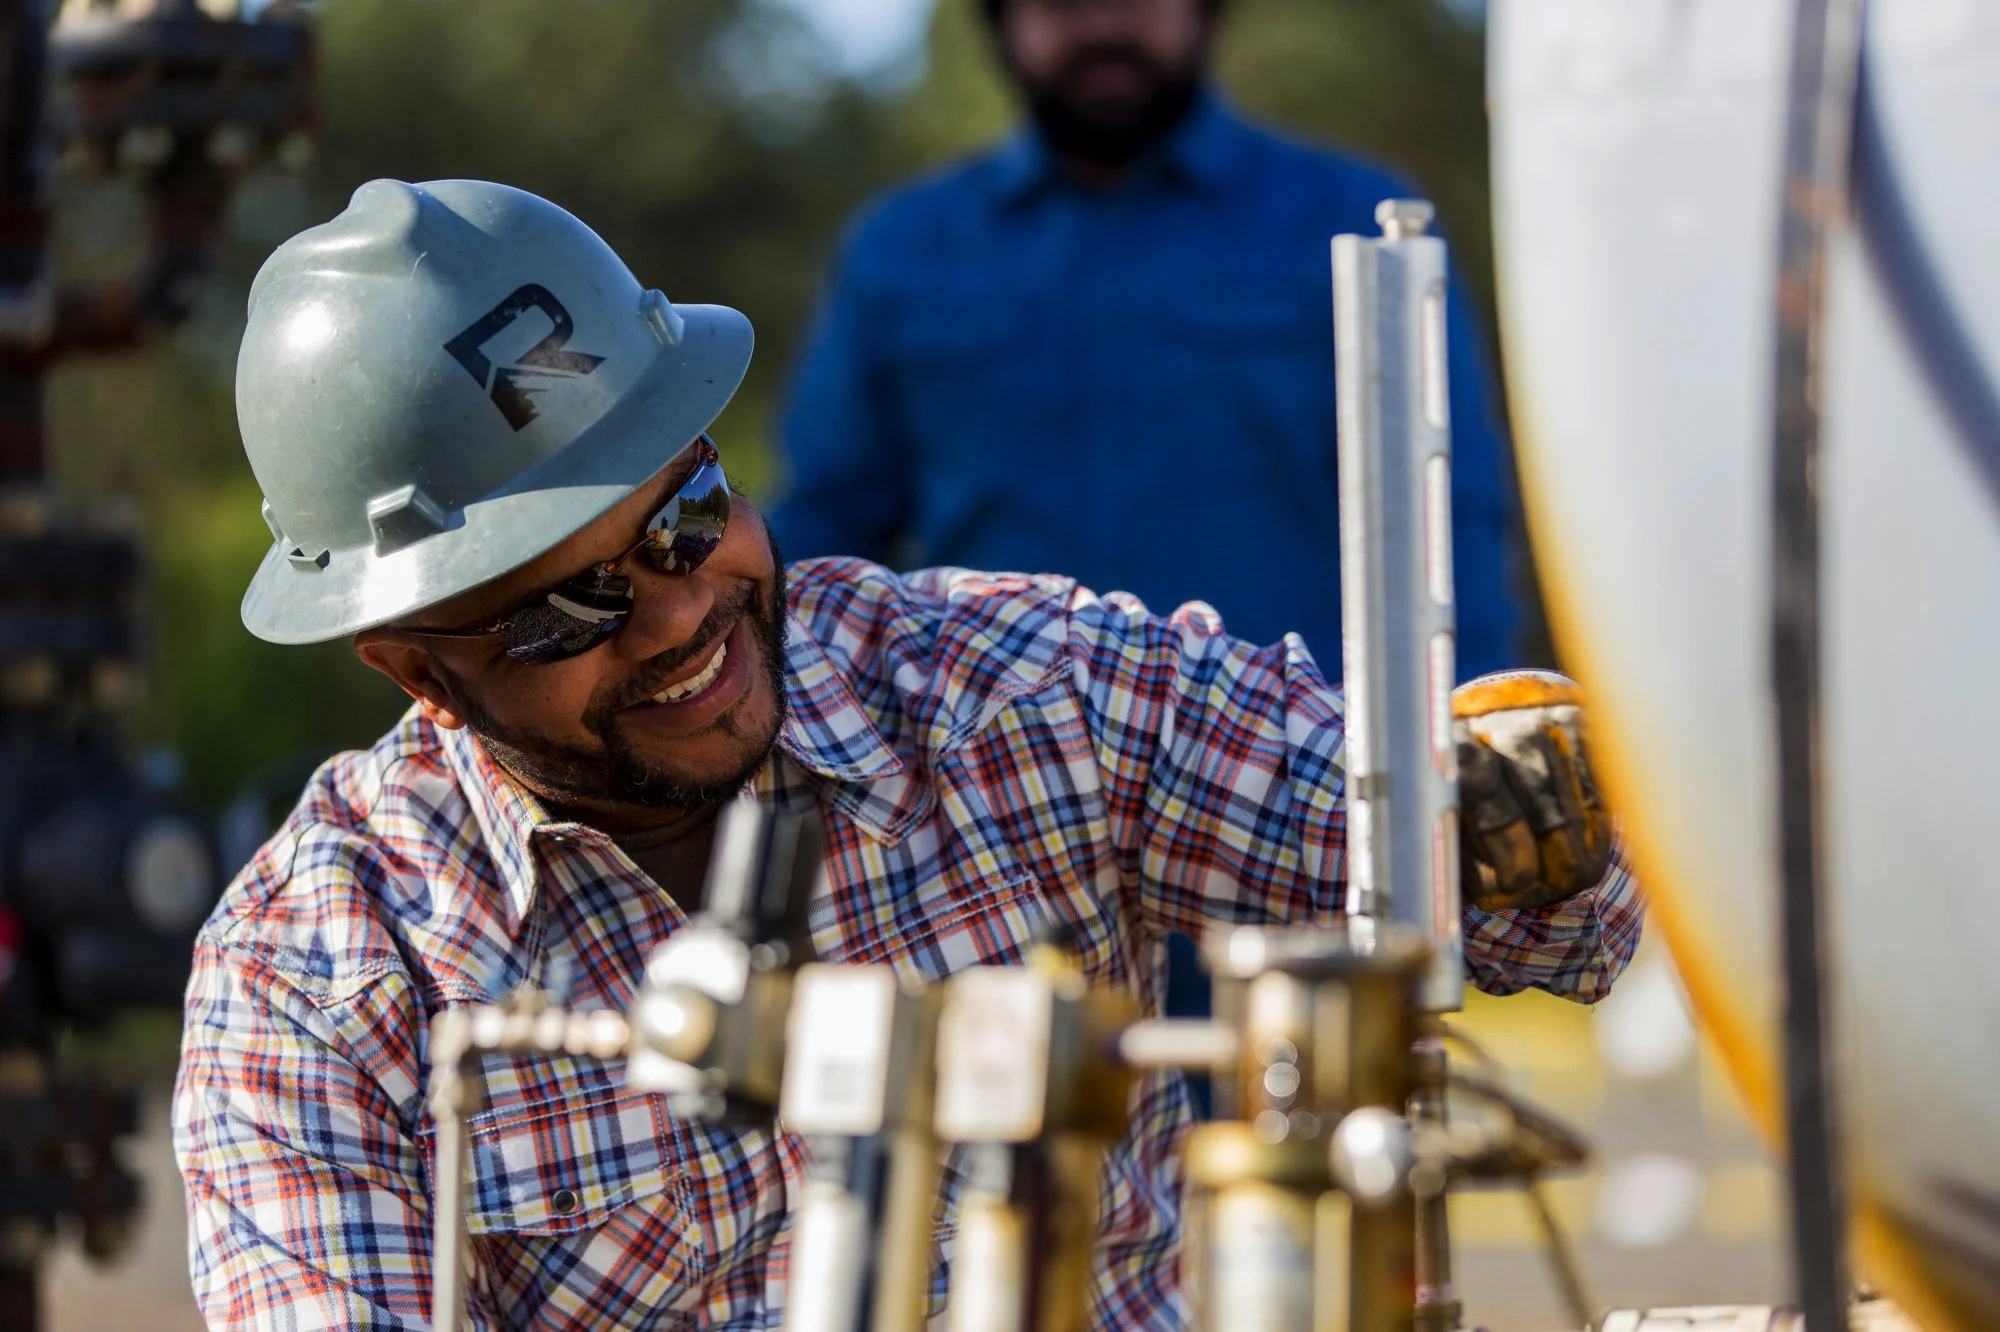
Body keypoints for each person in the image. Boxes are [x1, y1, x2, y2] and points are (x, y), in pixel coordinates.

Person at [174, 180, 1638, 1329]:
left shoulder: (1016, 695)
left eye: (686, 515)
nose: (684, 612)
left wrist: (1521, 803)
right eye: (572, 607)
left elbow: (1555, 906)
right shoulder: (318, 982)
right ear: (416, 665)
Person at [773, 0, 1522, 677]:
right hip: (987, 786)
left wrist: (1465, 734)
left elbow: (1445, 514)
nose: (1102, 26)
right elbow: (825, 527)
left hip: (1300, 778)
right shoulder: (903, 249)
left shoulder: (1357, 221)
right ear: (1003, 24)